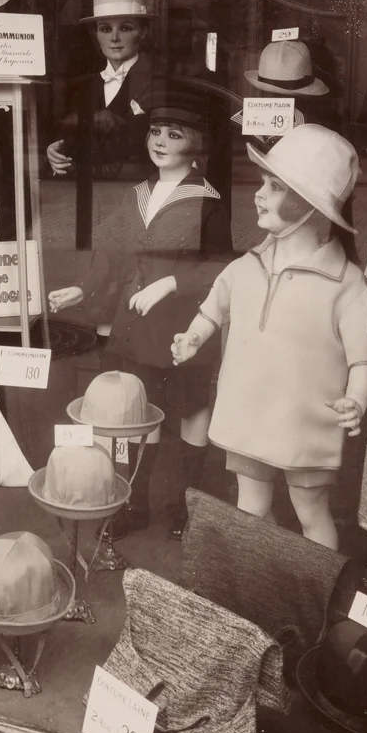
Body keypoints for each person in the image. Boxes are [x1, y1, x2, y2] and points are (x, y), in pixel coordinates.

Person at [172, 125, 367, 550]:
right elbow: (213, 308)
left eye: (274, 187)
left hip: (305, 423)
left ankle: (315, 582)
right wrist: (194, 336)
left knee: (311, 511)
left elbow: (363, 357)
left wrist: (357, 400)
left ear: (312, 205)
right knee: (250, 507)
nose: (258, 194)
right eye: (263, 183)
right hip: (249, 416)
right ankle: (259, 576)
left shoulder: (346, 284)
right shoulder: (246, 266)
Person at [48, 94, 228, 539]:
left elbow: (221, 268)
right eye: (155, 132)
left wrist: (171, 284)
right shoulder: (137, 196)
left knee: (190, 408)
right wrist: (83, 287)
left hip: (186, 326)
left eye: (174, 134)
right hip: (137, 325)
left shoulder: (208, 202)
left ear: (197, 143)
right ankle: (135, 503)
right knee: (137, 409)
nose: (160, 141)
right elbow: (110, 252)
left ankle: (186, 504)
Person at [47, 0, 154, 182]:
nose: (114, 38)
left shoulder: (156, 83)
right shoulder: (83, 88)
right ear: (95, 34)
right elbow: (72, 146)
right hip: (86, 193)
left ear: (143, 32)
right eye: (105, 29)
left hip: (137, 188)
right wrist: (55, 154)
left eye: (125, 28)